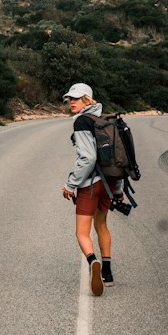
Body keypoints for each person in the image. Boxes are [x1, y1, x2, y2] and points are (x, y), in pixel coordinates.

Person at [61, 82, 115, 296]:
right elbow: (114, 158)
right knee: (101, 224)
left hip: (90, 185)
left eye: (76, 98)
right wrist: (117, 188)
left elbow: (88, 158)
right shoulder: (104, 120)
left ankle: (93, 262)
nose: (71, 102)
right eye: (69, 99)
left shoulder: (83, 121)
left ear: (87, 99)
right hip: (109, 183)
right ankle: (108, 274)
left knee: (82, 232)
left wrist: (70, 184)